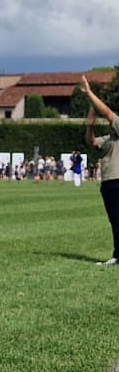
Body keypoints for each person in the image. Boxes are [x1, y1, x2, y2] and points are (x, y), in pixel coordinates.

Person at [81, 76, 119, 263]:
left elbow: (108, 114)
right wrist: (90, 126)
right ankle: (118, 255)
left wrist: (89, 92)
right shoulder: (112, 138)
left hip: (117, 180)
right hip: (109, 181)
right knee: (115, 220)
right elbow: (92, 142)